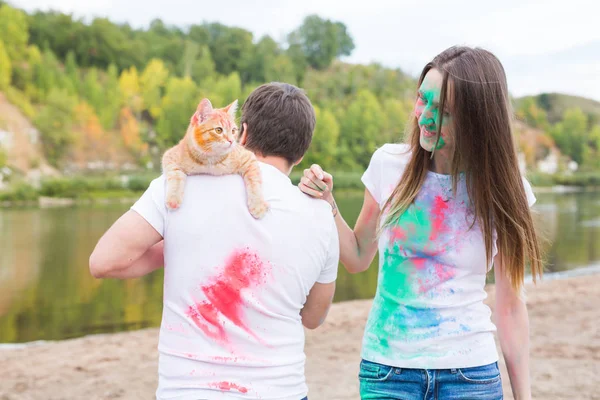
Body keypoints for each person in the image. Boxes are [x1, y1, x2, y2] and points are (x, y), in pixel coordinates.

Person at [299, 46, 542, 400]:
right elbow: (356, 257)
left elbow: (509, 306)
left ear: (477, 120)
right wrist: (328, 204)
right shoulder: (389, 165)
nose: (423, 117)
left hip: (470, 375)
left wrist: (525, 397)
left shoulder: (507, 191)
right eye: (421, 99)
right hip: (387, 372)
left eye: (442, 111)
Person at [89, 82, 340, 400]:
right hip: (280, 391)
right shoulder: (321, 216)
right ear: (302, 153)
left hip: (188, 391)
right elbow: (314, 317)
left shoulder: (180, 182)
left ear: (243, 133)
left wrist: (178, 244)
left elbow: (103, 262)